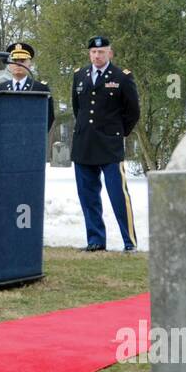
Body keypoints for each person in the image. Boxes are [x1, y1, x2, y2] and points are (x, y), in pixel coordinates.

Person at [70, 36, 141, 252]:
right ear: (89, 54)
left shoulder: (121, 77)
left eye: (101, 52)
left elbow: (133, 111)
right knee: (88, 196)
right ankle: (96, 240)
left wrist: (118, 133)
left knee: (118, 195)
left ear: (110, 53)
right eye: (93, 52)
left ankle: (129, 242)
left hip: (109, 145)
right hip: (84, 144)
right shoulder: (79, 75)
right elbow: (77, 108)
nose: (97, 55)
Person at [0, 41, 54, 131]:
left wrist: (38, 135)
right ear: (9, 65)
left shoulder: (40, 88)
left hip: (32, 138)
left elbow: (49, 117)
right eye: (14, 61)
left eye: (22, 61)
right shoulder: (0, 89)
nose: (18, 64)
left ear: (29, 64)